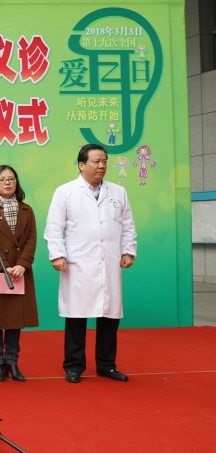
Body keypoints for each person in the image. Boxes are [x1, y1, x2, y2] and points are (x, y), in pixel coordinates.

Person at [44, 143, 137, 383]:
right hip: (78, 263)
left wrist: (128, 250)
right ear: (81, 164)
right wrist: (57, 254)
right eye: (96, 161)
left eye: (104, 161)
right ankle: (74, 366)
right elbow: (54, 228)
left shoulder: (118, 192)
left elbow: (128, 225)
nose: (102, 166)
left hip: (109, 260)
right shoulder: (65, 192)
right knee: (76, 315)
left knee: (109, 316)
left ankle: (107, 365)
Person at [0, 165, 39, 382]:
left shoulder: (26, 209)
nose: (7, 182)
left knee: (14, 319)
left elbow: (31, 239)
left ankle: (12, 361)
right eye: (2, 179)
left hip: (19, 271)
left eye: (11, 179)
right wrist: (3, 266)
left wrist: (22, 264)